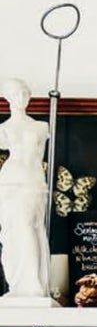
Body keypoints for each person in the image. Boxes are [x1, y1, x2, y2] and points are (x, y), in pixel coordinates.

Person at [0, 78, 53, 301]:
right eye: (15, 94)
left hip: (32, 182)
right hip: (9, 182)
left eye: (24, 93)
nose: (21, 98)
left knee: (28, 227)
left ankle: (33, 284)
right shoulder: (3, 129)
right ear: (7, 98)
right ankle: (18, 286)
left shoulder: (41, 127)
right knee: (10, 233)